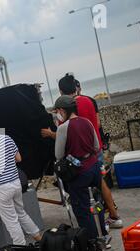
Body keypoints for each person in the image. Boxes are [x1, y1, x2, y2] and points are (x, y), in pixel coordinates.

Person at [41, 74, 123, 229]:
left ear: (60, 91)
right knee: (100, 184)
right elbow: (97, 123)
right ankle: (112, 214)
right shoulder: (89, 100)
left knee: (82, 196)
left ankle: (94, 227)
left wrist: (50, 134)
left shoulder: (64, 110)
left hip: (78, 158)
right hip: (94, 151)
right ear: (75, 87)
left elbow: (64, 136)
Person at [0, 112, 42, 245]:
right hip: (15, 183)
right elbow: (19, 158)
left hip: (0, 188)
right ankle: (39, 239)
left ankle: (21, 250)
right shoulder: (7, 138)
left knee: (11, 221)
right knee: (21, 213)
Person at [54, 95, 110, 242]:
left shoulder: (63, 128)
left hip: (78, 172)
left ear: (62, 110)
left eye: (57, 111)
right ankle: (104, 233)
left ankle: (93, 242)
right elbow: (97, 146)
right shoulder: (87, 122)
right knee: (97, 204)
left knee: (82, 209)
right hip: (93, 167)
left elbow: (58, 154)